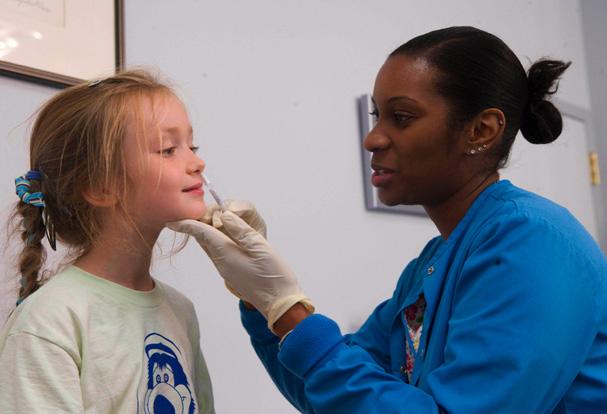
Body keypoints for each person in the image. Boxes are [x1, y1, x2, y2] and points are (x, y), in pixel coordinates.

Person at [169, 26, 607, 413]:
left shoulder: (533, 242)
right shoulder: (429, 267)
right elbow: (326, 394)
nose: (372, 137)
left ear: (482, 130)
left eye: (401, 117)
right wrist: (263, 305)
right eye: (379, 115)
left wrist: (290, 314)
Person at [0, 70, 215, 413]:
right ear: (100, 186)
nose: (197, 162)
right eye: (168, 149)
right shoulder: (51, 321)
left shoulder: (180, 312)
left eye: (193, 146)